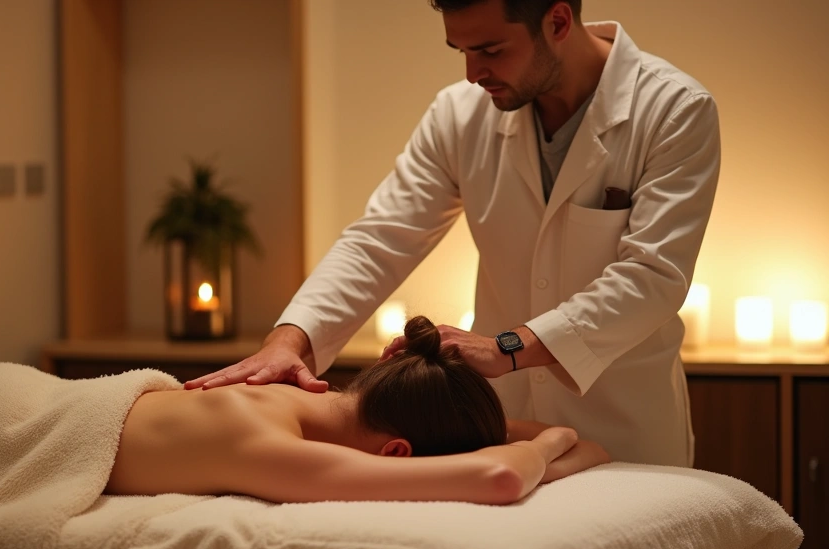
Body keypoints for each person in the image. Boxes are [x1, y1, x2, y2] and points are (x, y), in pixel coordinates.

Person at [186, 0, 720, 468]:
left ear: (557, 21)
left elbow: (652, 278)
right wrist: (290, 341)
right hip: (497, 429)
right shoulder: (459, 115)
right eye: (460, 51)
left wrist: (507, 347)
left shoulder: (674, 111)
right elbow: (380, 238)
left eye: (489, 49)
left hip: (625, 428)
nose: (472, 73)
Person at [108, 316, 610, 503]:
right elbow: (502, 477)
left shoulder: (310, 401)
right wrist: (543, 448)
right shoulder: (267, 448)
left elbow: (585, 445)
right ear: (395, 452)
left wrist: (538, 446)